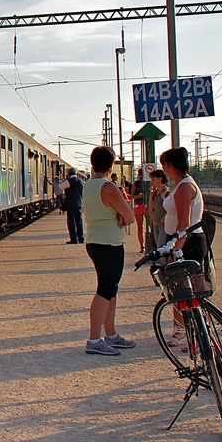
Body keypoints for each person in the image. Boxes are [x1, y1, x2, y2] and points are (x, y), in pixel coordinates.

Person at [82, 146, 136, 356]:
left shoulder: (88, 185)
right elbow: (130, 217)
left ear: (92, 162)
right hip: (110, 244)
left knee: (110, 289)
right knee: (105, 290)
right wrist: (121, 215)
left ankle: (111, 334)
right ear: (111, 165)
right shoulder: (109, 187)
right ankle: (94, 339)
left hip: (95, 241)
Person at [159, 147, 207, 348]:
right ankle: (183, 330)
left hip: (188, 242)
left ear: (169, 165)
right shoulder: (179, 185)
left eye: (163, 164)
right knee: (178, 288)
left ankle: (196, 334)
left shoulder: (185, 187)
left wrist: (175, 250)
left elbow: (184, 223)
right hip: (180, 239)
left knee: (190, 290)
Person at [59, 168, 84, 243]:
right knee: (79, 221)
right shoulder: (81, 181)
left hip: (71, 204)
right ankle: (81, 238)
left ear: (69, 174)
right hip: (79, 203)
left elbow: (60, 187)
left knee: (71, 221)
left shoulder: (68, 181)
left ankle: (74, 239)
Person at [146, 170, 169, 253]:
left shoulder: (167, 193)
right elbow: (151, 209)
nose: (152, 181)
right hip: (155, 223)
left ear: (160, 179)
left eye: (153, 179)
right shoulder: (155, 193)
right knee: (157, 246)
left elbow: (170, 209)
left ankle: (162, 263)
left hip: (164, 225)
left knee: (161, 247)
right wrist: (151, 196)